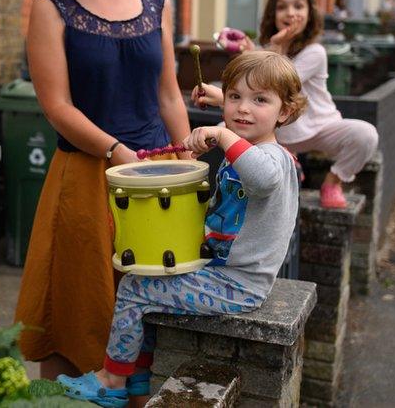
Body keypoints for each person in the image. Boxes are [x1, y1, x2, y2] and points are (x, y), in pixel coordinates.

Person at [14, 0, 193, 380]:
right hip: (87, 176)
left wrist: (188, 163)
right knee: (78, 315)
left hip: (155, 178)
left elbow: (168, 94)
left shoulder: (155, 1)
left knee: (150, 313)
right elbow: (56, 106)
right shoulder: (50, 8)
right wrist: (116, 151)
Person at [57, 51, 307, 407]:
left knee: (134, 288)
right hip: (224, 274)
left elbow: (262, 177)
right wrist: (225, 106)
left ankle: (112, 381)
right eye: (235, 97)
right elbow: (247, 116)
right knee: (148, 276)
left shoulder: (272, 159)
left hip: (239, 286)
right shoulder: (250, 144)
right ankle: (138, 375)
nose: (243, 109)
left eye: (260, 101)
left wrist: (221, 135)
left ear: (284, 113)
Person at [214, 0, 378, 208]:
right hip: (277, 132)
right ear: (273, 14)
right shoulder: (267, 48)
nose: (290, 13)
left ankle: (333, 182)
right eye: (282, 7)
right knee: (222, 130)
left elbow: (279, 84)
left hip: (319, 128)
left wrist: (271, 48)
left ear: (310, 13)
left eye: (298, 6)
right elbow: (250, 86)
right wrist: (254, 50)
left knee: (366, 135)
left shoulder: (315, 52)